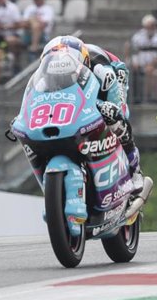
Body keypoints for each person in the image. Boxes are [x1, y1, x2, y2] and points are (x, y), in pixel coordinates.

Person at [40, 36, 144, 192]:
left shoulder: (103, 72)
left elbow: (117, 108)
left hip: (113, 73)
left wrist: (108, 112)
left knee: (115, 115)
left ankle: (134, 167)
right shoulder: (45, 77)